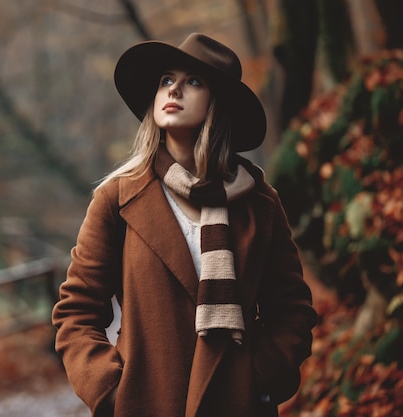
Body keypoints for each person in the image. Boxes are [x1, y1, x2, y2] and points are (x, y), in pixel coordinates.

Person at [52, 33, 317, 417]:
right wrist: (109, 388)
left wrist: (261, 376)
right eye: (166, 80)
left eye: (193, 81)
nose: (174, 88)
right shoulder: (118, 198)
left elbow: (292, 309)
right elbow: (76, 309)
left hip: (238, 405)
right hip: (147, 403)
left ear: (218, 103)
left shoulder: (260, 203)